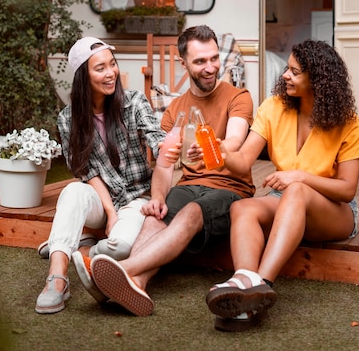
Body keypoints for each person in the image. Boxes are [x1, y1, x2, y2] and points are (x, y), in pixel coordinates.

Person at [73, 25, 255, 316]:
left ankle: (118, 271)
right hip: (188, 185)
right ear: (184, 64)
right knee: (156, 215)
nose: (210, 68)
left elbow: (234, 141)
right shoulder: (176, 110)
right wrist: (157, 196)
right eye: (200, 61)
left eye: (214, 58)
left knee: (193, 211)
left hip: (229, 189)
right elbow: (165, 163)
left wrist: (213, 148)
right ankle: (136, 284)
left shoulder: (238, 96)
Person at [205, 39, 359, 332]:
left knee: (296, 189)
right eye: (287, 69)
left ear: (317, 80)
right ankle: (244, 282)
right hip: (286, 198)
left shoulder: (347, 121)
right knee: (243, 207)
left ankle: (261, 284)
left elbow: (347, 189)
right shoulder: (273, 108)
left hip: (334, 210)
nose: (285, 76)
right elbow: (243, 160)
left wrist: (300, 177)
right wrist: (219, 152)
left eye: (295, 72)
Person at [35, 37, 166, 314]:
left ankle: (75, 247)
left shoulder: (133, 102)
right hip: (100, 198)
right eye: (100, 68)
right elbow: (86, 171)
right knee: (72, 191)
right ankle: (57, 279)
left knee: (120, 249)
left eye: (112, 64)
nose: (111, 73)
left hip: (135, 197)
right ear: (84, 75)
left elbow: (155, 137)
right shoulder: (68, 118)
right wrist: (109, 212)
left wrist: (167, 147)